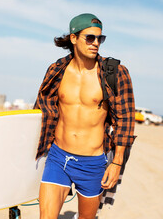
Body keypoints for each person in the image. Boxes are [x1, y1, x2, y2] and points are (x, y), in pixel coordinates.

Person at [34, 13, 136, 219]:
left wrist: (116, 163)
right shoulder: (57, 70)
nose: (96, 43)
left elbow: (125, 120)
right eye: (90, 38)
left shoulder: (114, 72)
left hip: (92, 163)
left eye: (100, 38)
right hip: (57, 157)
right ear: (73, 38)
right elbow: (40, 110)